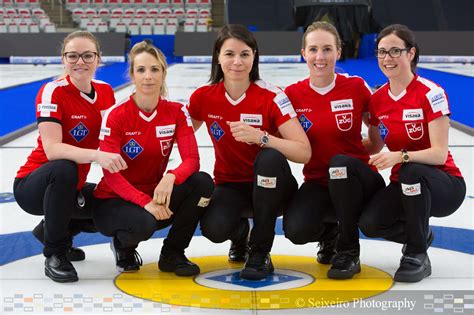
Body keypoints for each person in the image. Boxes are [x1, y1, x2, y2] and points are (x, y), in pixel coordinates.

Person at [187, 24, 311, 280]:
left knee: (268, 157)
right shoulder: (203, 97)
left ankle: (260, 250)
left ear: (254, 56)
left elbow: (303, 152)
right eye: (229, 54)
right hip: (231, 185)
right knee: (214, 228)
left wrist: (262, 138)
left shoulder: (272, 96)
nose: (237, 61)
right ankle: (240, 234)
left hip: (274, 186)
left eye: (244, 54)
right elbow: (178, 135)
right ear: (218, 57)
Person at [93, 41, 214, 276]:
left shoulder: (176, 112)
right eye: (141, 70)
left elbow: (191, 159)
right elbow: (111, 174)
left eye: (154, 69)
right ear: (132, 75)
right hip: (113, 199)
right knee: (144, 223)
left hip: (154, 193)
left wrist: (171, 176)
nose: (148, 76)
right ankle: (123, 246)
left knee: (202, 182)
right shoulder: (117, 116)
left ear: (163, 73)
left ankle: (173, 253)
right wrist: (144, 202)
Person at [13, 31, 124, 283]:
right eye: (72, 56)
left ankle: (51, 231)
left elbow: (112, 136)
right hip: (34, 186)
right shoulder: (53, 92)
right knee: (64, 167)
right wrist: (98, 155)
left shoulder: (106, 92)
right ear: (63, 59)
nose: (79, 62)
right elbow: (53, 150)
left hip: (70, 186)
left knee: (112, 204)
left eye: (87, 55)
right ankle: (55, 252)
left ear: (98, 59)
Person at [359, 24, 465, 282]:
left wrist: (400, 156)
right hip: (404, 181)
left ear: (411, 53)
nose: (387, 58)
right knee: (370, 223)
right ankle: (419, 235)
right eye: (382, 52)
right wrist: (331, 143)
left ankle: (417, 254)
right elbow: (373, 144)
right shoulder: (377, 99)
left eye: (395, 51)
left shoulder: (431, 93)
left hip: (443, 184)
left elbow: (439, 155)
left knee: (411, 169)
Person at [282, 21, 385, 279]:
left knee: (340, 164)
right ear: (303, 53)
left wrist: (373, 146)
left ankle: (349, 251)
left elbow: (378, 131)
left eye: (327, 49)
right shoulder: (293, 94)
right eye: (313, 49)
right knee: (296, 230)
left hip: (356, 180)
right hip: (318, 181)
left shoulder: (356, 87)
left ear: (339, 52)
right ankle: (331, 235)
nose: (320, 56)